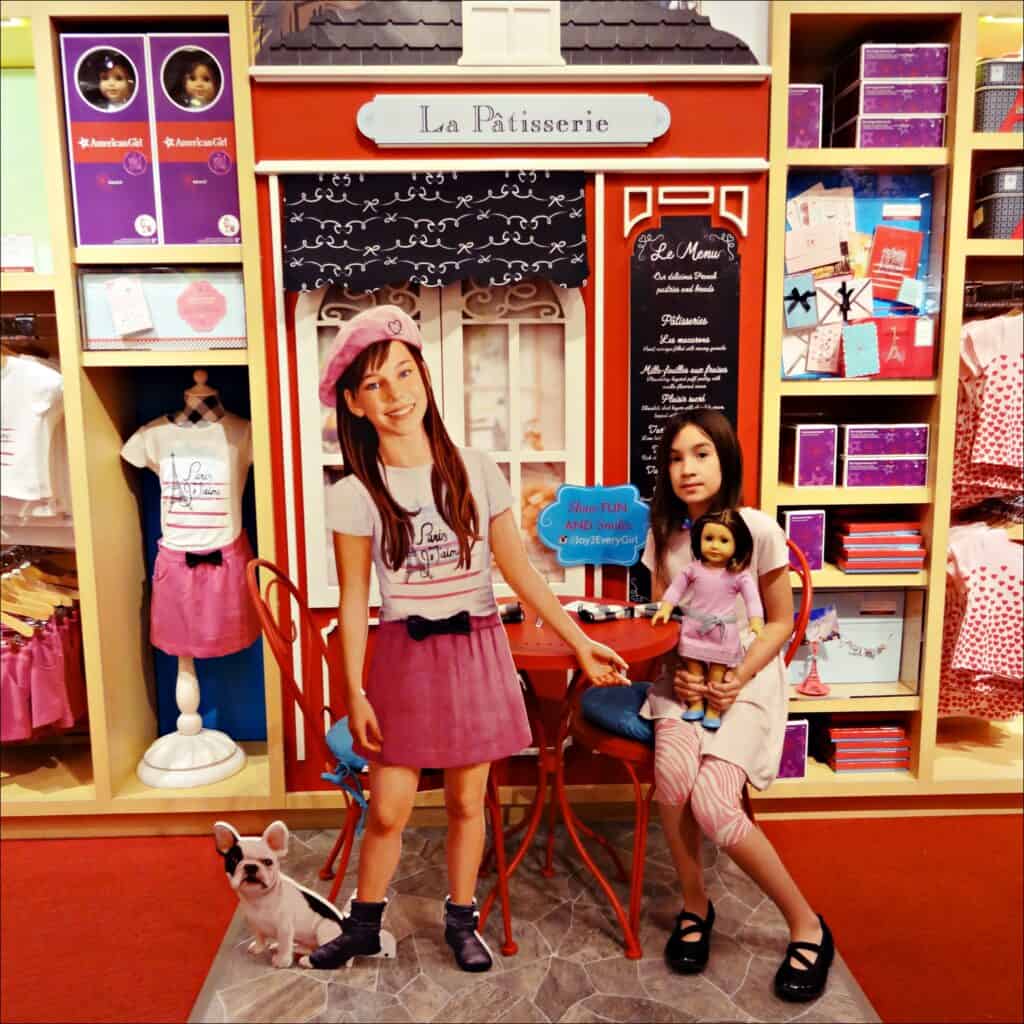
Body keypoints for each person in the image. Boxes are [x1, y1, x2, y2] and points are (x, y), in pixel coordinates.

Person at [304, 305, 628, 973]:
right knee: (390, 808)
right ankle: (364, 924)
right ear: (355, 405)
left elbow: (519, 569)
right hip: (403, 656)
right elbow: (357, 598)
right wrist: (356, 692)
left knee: (465, 799)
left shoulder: (476, 469)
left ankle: (461, 920)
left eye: (404, 373)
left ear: (423, 373)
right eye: (375, 385)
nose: (396, 394)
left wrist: (578, 641)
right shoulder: (354, 494)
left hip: (476, 648)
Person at [640, 407, 834, 1003]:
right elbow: (662, 624)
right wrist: (681, 672)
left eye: (700, 454)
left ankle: (807, 924)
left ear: (726, 459)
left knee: (715, 803)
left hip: (746, 683)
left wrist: (736, 677)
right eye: (675, 457)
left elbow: (778, 622)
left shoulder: (760, 529)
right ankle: (695, 904)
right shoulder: (665, 535)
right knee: (672, 778)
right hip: (686, 684)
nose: (687, 469)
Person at [651, 508, 763, 730]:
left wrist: (756, 620)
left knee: (717, 673)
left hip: (722, 631)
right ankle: (695, 703)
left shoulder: (739, 575)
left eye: (723, 540)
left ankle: (713, 708)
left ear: (737, 545)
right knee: (693, 666)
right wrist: (666, 607)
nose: (714, 545)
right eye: (709, 538)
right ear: (698, 540)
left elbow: (752, 599)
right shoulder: (693, 569)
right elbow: (675, 588)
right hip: (694, 627)